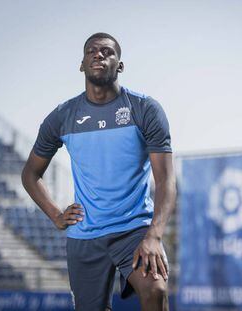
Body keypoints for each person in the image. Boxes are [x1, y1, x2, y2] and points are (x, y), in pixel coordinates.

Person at [21, 32, 176, 311]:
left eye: (107, 51)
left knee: (156, 290)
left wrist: (154, 235)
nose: (99, 55)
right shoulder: (62, 116)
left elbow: (165, 180)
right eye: (92, 51)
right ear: (82, 64)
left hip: (134, 230)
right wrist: (55, 214)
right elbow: (30, 174)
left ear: (120, 65)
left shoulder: (144, 109)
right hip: (85, 236)